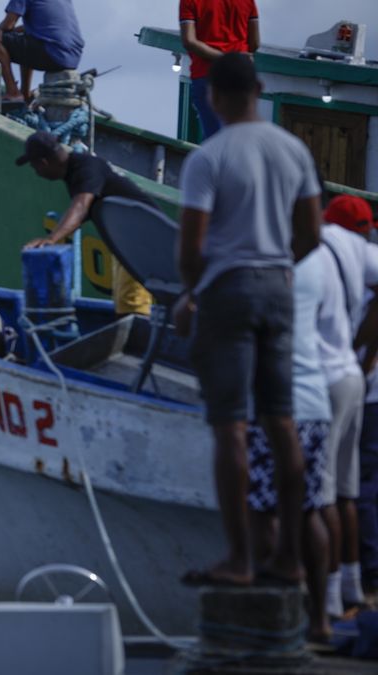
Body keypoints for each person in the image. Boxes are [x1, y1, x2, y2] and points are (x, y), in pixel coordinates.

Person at [176, 53, 321, 587]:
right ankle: (290, 556)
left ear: (213, 96)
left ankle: (239, 558)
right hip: (278, 289)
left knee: (231, 426)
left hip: (226, 294)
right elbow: (311, 234)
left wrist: (193, 293)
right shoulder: (294, 151)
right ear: (258, 90)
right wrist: (280, 268)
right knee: (281, 424)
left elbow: (191, 246)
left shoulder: (209, 158)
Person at [247, 245, 334, 641]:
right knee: (309, 509)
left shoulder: (264, 253)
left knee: (263, 512)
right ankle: (319, 620)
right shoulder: (319, 257)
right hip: (315, 399)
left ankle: (274, 621)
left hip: (276, 403)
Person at [19, 130, 155, 316]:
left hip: (141, 239)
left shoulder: (86, 167)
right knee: (124, 304)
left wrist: (52, 238)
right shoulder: (75, 172)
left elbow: (81, 205)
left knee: (131, 308)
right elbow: (81, 213)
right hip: (128, 244)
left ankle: (136, 342)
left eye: (35, 167)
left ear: (44, 162)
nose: (36, 173)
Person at [318, 194, 378, 613]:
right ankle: (356, 584)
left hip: (337, 383)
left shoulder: (325, 247)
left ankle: (335, 596)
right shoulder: (367, 255)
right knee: (352, 492)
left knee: (326, 496)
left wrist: (365, 349)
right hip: (358, 382)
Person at [179, 0, 259, 139]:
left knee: (215, 138)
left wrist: (224, 57)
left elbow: (189, 41)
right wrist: (236, 58)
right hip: (240, 75)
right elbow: (255, 42)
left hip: (206, 74)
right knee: (241, 135)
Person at [0, 0, 84, 103]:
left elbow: (8, 25)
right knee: (26, 39)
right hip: (72, 57)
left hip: (53, 53)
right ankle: (25, 94)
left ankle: (13, 93)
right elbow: (41, 28)